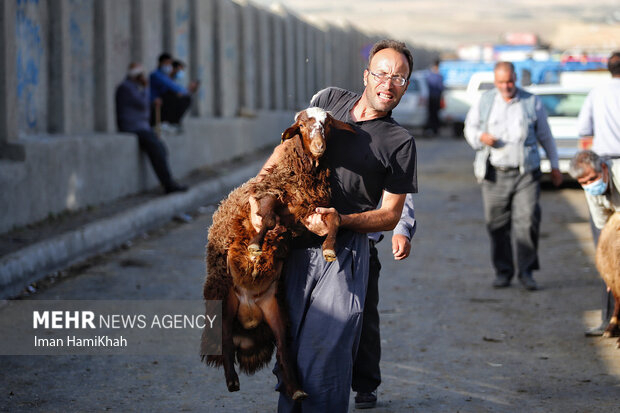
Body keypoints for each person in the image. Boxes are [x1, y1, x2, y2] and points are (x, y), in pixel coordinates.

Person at [253, 39, 418, 412]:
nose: (389, 84)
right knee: (289, 346)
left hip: (343, 254)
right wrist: (256, 194)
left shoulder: (400, 142)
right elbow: (287, 149)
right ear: (367, 75)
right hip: (293, 246)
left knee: (325, 354)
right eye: (382, 73)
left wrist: (340, 220)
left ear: (406, 85)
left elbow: (391, 213)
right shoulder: (328, 100)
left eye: (400, 78)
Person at [464, 61, 562, 291]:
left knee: (527, 222)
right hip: (494, 174)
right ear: (495, 82)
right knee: (496, 225)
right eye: (501, 82)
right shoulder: (485, 101)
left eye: (509, 81)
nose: (506, 86)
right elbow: (469, 128)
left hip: (525, 173)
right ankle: (503, 271)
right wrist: (481, 137)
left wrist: (555, 165)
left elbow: (546, 136)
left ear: (515, 78)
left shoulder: (531, 101)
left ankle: (526, 272)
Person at [354, 194, 416, 409]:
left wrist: (401, 230)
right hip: (316, 244)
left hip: (363, 246)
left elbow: (398, 191)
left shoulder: (382, 158)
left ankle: (365, 384)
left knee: (364, 318)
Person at [576, 51, 620, 336]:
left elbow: (584, 131)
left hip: (604, 160)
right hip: (601, 168)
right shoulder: (593, 181)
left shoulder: (597, 93)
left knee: (606, 256)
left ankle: (609, 320)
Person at [115, 62, 188, 194]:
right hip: (132, 127)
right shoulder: (126, 87)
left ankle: (169, 180)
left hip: (142, 127)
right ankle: (168, 184)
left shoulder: (136, 87)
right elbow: (143, 103)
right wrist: (147, 87)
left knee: (161, 148)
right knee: (156, 148)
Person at [149, 53, 199, 129]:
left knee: (185, 98)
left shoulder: (165, 76)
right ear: (161, 63)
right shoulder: (156, 75)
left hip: (161, 102)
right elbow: (172, 87)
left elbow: (176, 87)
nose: (169, 66)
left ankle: (171, 122)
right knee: (180, 97)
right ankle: (169, 121)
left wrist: (186, 91)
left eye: (170, 64)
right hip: (154, 103)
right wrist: (186, 91)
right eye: (167, 63)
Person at [425, 59, 444, 136]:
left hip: (430, 97)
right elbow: (440, 87)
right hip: (435, 98)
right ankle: (434, 129)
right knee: (435, 114)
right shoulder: (438, 76)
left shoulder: (428, 75)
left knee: (431, 114)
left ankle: (432, 129)